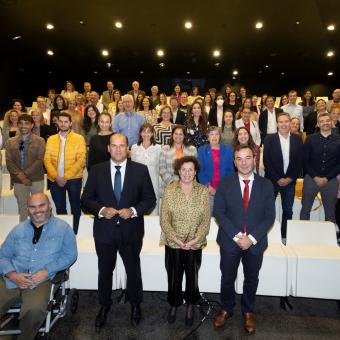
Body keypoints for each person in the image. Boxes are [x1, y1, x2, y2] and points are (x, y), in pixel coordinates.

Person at [81, 133, 156, 330]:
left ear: (127, 148)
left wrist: (132, 211)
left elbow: (149, 199)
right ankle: (104, 306)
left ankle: (135, 304)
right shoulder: (96, 170)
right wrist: (101, 210)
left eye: (122, 146)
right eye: (114, 146)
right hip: (105, 232)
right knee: (104, 271)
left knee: (133, 271)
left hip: (131, 231)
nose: (118, 149)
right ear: (108, 148)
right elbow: (86, 199)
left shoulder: (140, 170)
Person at [213, 145, 275, 334]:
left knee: (251, 279)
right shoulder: (224, 183)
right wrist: (238, 236)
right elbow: (219, 213)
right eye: (239, 159)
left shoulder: (266, 184)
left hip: (255, 244)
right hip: (230, 241)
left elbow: (269, 216)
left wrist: (252, 238)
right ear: (234, 162)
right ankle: (226, 309)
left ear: (254, 159)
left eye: (247, 158)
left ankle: (248, 311)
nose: (244, 162)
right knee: (227, 277)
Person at [0, 192, 77, 340]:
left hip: (40, 281)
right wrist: (12, 274)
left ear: (49, 206)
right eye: (33, 207)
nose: (38, 210)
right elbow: (2, 255)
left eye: (42, 205)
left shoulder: (63, 229)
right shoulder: (18, 230)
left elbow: (70, 255)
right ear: (28, 209)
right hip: (12, 277)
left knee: (34, 310)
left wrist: (47, 271)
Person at [160, 156, 210, 326]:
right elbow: (164, 218)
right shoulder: (169, 189)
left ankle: (190, 304)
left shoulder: (203, 191)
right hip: (173, 242)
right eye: (184, 169)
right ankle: (174, 304)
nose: (187, 173)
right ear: (178, 171)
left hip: (194, 242)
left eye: (191, 169)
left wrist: (196, 239)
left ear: (195, 172)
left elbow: (206, 220)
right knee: (173, 275)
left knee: (192, 275)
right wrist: (175, 238)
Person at [44, 112, 86, 234]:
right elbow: (46, 160)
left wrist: (65, 177)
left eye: (65, 121)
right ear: (57, 123)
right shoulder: (51, 139)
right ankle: (64, 232)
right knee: (60, 207)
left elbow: (81, 160)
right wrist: (56, 177)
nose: (63, 124)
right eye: (60, 121)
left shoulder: (79, 138)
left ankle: (76, 231)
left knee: (75, 207)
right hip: (54, 179)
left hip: (73, 179)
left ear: (70, 123)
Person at [263, 112, 303, 239]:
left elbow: (299, 161)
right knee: (267, 210)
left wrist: (290, 178)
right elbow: (266, 161)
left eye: (286, 121)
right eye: (281, 122)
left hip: (290, 182)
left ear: (290, 123)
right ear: (277, 124)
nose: (284, 124)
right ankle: (266, 234)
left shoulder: (297, 139)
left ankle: (284, 235)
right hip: (272, 181)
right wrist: (278, 178)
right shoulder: (269, 139)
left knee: (288, 210)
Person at [300, 113, 340, 224]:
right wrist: (315, 177)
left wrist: (327, 178)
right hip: (311, 180)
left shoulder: (338, 139)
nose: (325, 123)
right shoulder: (310, 139)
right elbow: (305, 161)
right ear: (318, 124)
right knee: (305, 210)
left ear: (331, 122)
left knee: (330, 212)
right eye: (322, 121)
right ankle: (302, 236)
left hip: (331, 181)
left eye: (327, 120)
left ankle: (329, 239)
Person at [5, 114, 46, 221]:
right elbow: (9, 162)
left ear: (32, 125)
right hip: (18, 180)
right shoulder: (10, 141)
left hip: (36, 179)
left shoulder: (40, 140)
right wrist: (22, 177)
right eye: (21, 123)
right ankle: (24, 233)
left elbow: (39, 160)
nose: (24, 126)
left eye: (27, 123)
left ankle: (39, 231)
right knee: (22, 207)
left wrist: (25, 174)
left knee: (39, 207)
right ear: (18, 125)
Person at [198, 126, 234, 213]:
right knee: (208, 218)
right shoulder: (201, 150)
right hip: (207, 191)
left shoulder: (229, 150)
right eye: (212, 134)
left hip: (224, 191)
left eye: (216, 134)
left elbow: (231, 171)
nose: (214, 137)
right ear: (208, 137)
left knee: (222, 217)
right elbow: (200, 171)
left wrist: (222, 188)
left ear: (220, 136)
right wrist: (208, 187)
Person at [131, 123, 162, 214]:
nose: (146, 134)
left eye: (149, 132)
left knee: (153, 208)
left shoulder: (158, 148)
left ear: (152, 134)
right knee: (139, 207)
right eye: (144, 131)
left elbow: (160, 167)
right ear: (140, 133)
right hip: (138, 183)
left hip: (154, 181)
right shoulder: (134, 147)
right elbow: (132, 167)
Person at [159, 125, 197, 195]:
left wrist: (185, 184)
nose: (178, 136)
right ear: (172, 135)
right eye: (176, 134)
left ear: (184, 136)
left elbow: (194, 169)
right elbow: (162, 169)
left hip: (188, 187)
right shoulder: (164, 149)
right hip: (170, 186)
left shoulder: (192, 150)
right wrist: (173, 183)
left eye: (180, 134)